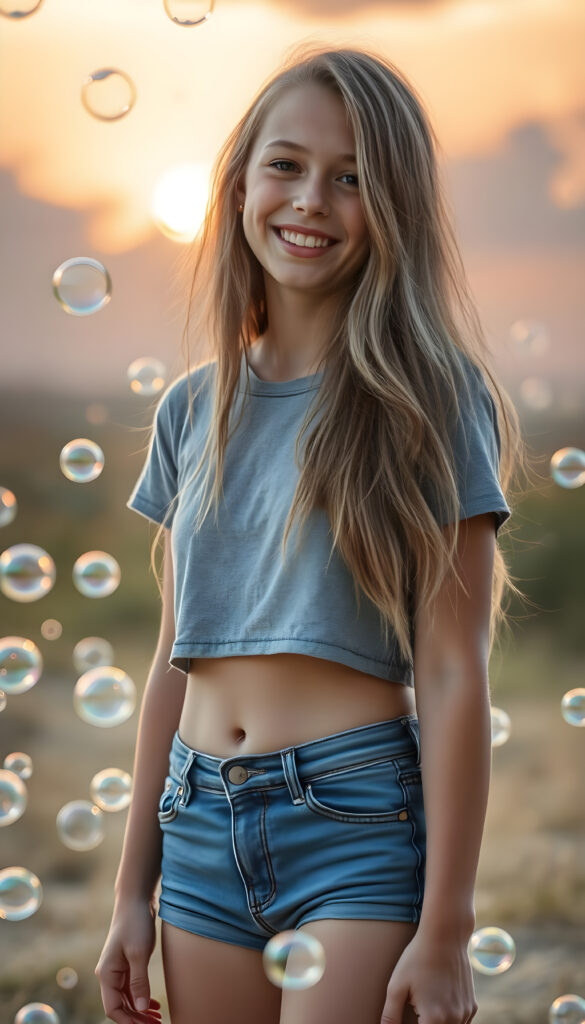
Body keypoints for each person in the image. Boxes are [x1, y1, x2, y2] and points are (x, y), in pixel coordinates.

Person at [95, 43, 526, 1024]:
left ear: (395, 209)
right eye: (286, 165)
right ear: (240, 180)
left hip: (353, 816)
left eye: (353, 178)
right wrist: (131, 890)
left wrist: (447, 927)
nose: (311, 200)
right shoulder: (191, 410)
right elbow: (174, 657)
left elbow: (455, 668)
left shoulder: (429, 399)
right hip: (197, 821)